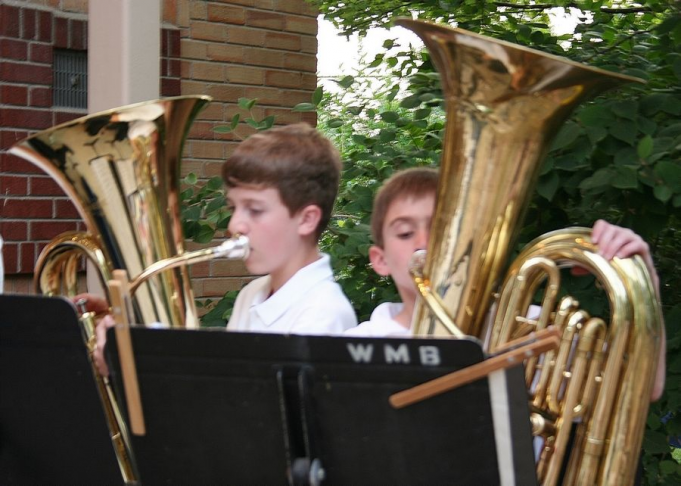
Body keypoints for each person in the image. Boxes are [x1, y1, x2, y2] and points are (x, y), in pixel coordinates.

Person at [344, 167, 666, 401]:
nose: (425, 242)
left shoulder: (534, 328)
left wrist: (643, 281)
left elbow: (642, 388)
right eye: (404, 233)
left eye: (442, 227)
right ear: (380, 259)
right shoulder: (350, 349)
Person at [78, 123, 357, 376]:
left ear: (306, 219)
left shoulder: (323, 315)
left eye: (255, 210)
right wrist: (131, 333)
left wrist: (132, 373)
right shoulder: (253, 294)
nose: (235, 224)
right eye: (234, 207)